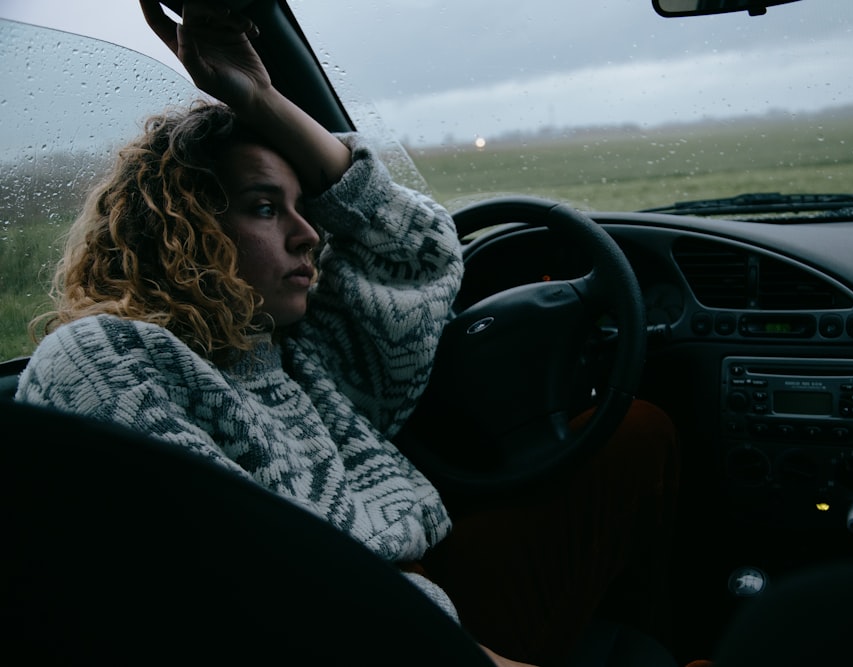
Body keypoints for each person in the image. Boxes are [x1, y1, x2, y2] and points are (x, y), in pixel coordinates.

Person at [14, 2, 680, 665]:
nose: (309, 235)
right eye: (266, 207)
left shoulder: (296, 351)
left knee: (637, 432)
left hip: (417, 602)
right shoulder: (108, 360)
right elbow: (245, 594)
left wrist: (265, 99)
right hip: (363, 632)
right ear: (181, 229)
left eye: (306, 209)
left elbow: (418, 252)